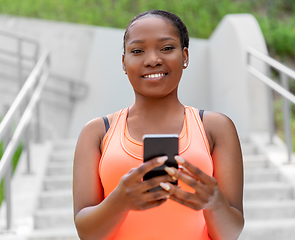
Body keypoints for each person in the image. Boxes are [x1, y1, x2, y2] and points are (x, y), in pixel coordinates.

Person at [73, 9, 244, 240]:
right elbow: (86, 234)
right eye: (137, 51)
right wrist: (120, 201)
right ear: (124, 62)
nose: (153, 60)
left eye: (166, 48)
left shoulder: (215, 128)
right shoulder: (96, 132)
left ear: (185, 56)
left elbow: (231, 233)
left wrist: (214, 203)